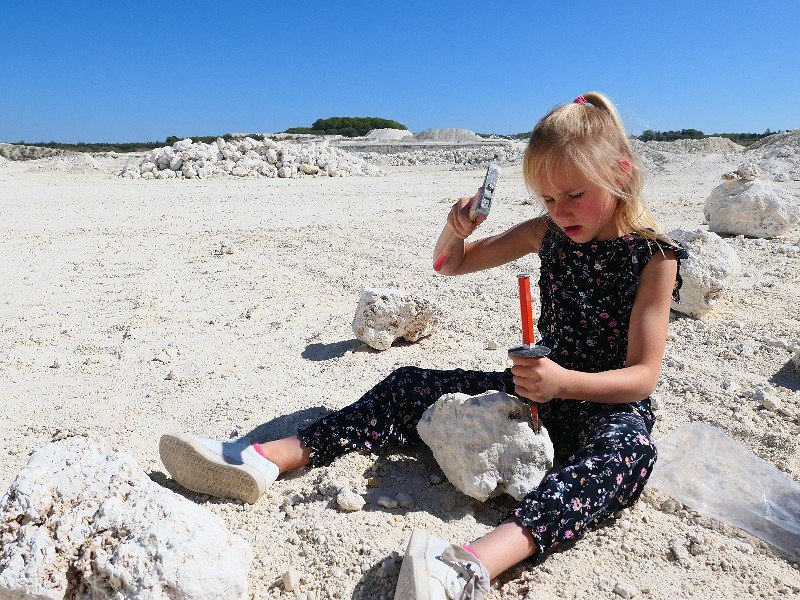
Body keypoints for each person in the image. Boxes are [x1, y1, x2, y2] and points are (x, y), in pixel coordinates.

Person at [159, 91, 687, 600]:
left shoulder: (654, 256)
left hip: (604, 405)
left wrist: (564, 383)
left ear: (619, 172)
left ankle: (469, 564)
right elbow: (449, 264)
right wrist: (454, 230)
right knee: (408, 383)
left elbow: (643, 377)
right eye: (548, 198)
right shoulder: (545, 231)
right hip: (538, 391)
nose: (560, 210)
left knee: (629, 454)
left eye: (574, 195)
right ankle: (263, 458)